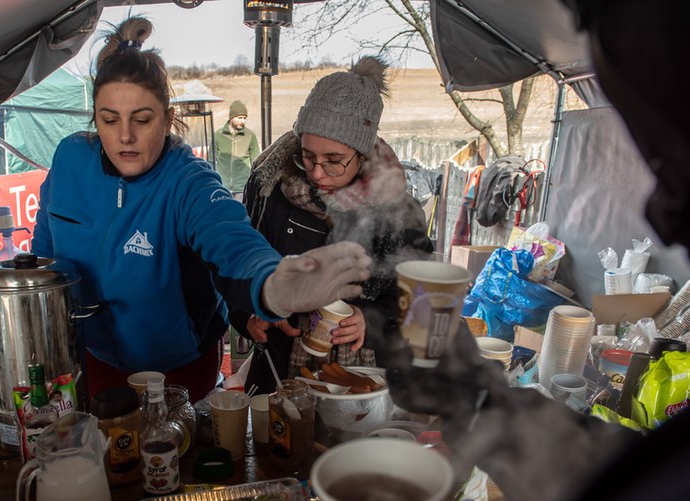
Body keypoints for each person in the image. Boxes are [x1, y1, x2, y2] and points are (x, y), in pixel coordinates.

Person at [283, 1, 690, 501]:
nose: (656, 214)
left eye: (673, 162)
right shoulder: (278, 185)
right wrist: (474, 398)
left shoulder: (399, 210)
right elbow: (641, 487)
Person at [31, 17, 372, 403]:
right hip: (92, 359)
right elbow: (44, 258)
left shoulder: (188, 181)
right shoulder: (71, 160)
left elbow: (233, 242)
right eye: (110, 120)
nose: (125, 136)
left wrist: (277, 282)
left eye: (142, 120)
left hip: (178, 368)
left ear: (168, 118)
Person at [229, 57, 433, 395]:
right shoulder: (269, 190)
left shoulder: (396, 208)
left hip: (360, 376)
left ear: (362, 154)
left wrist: (370, 320)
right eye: (307, 156)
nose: (317, 172)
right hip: (279, 370)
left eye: (334, 161)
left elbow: (419, 291)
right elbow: (238, 260)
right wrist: (252, 311)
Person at [214, 100, 259, 200]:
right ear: (231, 117)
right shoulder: (217, 136)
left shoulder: (250, 136)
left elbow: (256, 162)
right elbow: (210, 161)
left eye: (244, 118)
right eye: (240, 118)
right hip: (222, 187)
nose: (242, 121)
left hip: (242, 188)